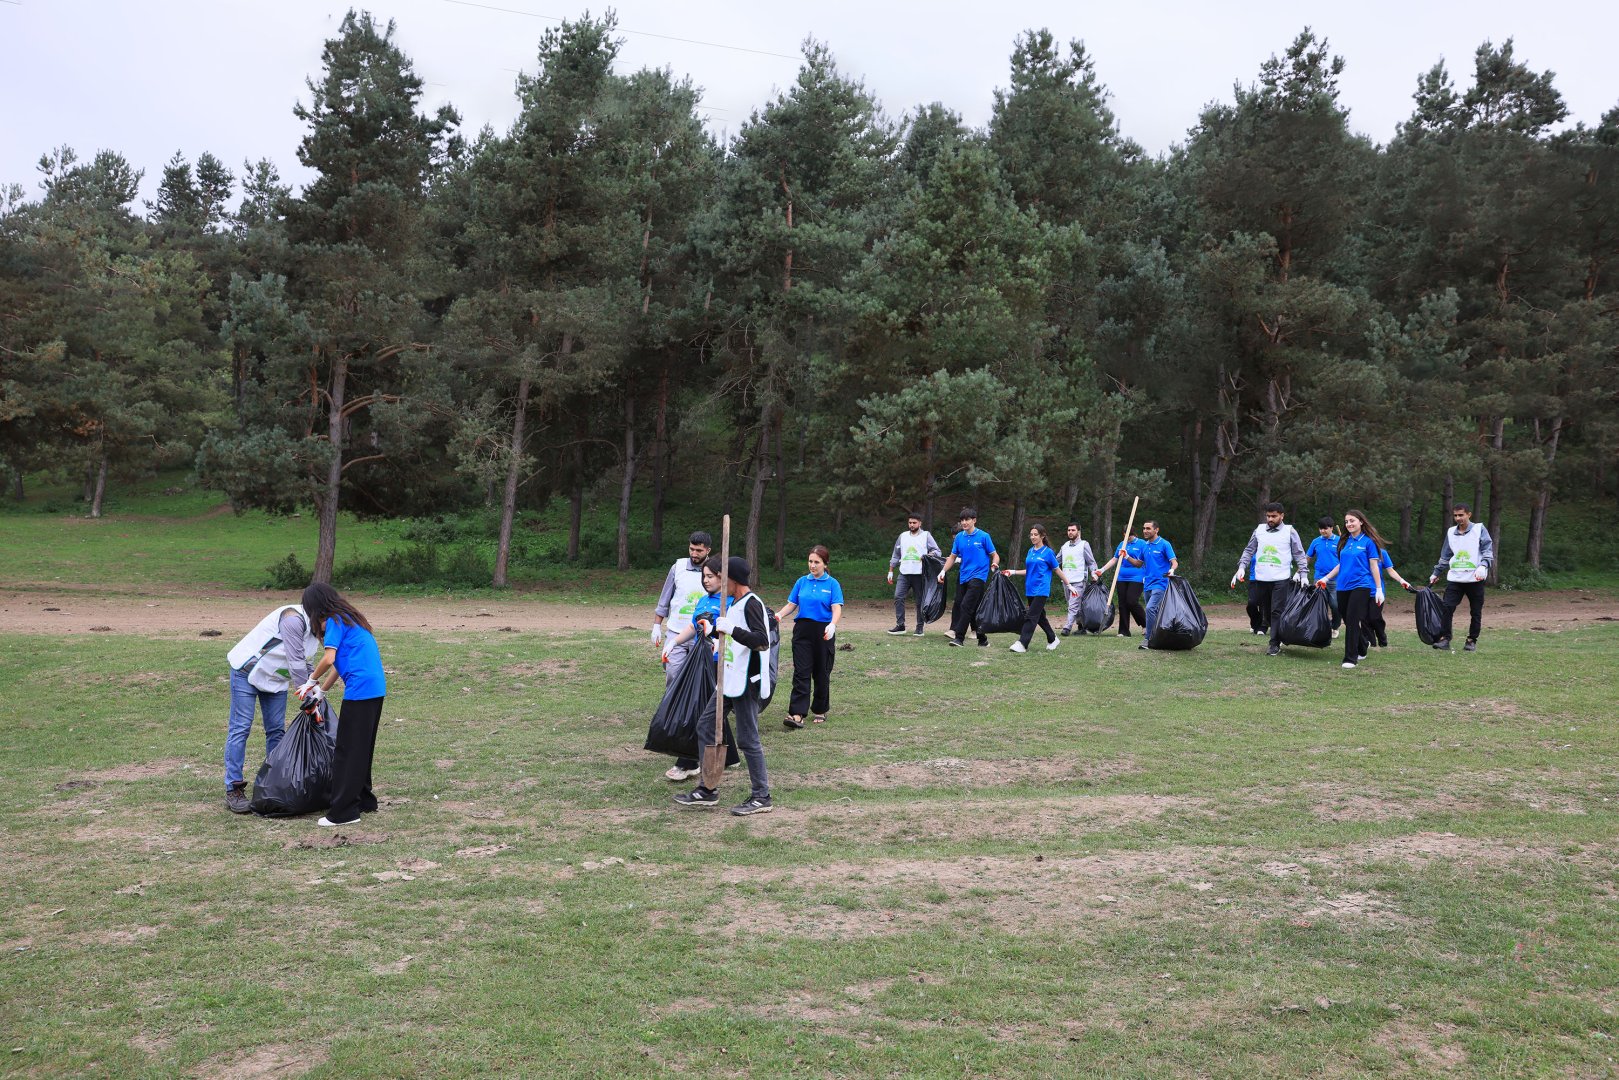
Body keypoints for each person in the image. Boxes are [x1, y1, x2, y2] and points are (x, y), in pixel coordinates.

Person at [675, 556, 774, 816]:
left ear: (732, 579)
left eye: (722, 577)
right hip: (729, 678)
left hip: (746, 681)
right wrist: (714, 632)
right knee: (705, 725)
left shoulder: (752, 604)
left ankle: (761, 796)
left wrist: (732, 630)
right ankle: (707, 789)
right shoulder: (734, 604)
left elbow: (762, 641)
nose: (718, 581)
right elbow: (730, 640)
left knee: (748, 739)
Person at [222, 601, 334, 813]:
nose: (328, 627)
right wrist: (308, 697)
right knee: (241, 728)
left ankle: (274, 785)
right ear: (318, 614)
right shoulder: (292, 619)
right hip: (247, 672)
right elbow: (295, 661)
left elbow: (306, 662)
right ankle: (233, 789)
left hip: (274, 679)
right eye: (326, 620)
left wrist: (314, 694)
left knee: (276, 730)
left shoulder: (314, 631)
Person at [298, 583, 387, 827]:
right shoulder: (350, 618)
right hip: (375, 687)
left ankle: (344, 812)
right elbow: (340, 664)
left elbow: (329, 658)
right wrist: (322, 692)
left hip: (360, 689)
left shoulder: (335, 621)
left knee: (347, 751)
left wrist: (311, 680)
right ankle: (365, 801)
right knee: (361, 747)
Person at [656, 560, 730, 781]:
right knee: (700, 711)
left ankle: (699, 760)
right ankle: (690, 760)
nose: (706, 580)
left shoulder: (730, 602)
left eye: (711, 576)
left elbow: (735, 630)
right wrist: (674, 642)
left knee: (711, 712)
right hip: (701, 663)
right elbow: (692, 626)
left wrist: (718, 636)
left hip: (721, 664)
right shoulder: (703, 600)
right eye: (704, 577)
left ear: (722, 577)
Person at [776, 545, 844, 728]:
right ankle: (797, 713)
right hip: (803, 631)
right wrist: (779, 615)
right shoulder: (801, 582)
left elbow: (836, 608)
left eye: (817, 562)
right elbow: (791, 604)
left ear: (825, 564)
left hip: (823, 631)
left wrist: (832, 624)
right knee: (801, 672)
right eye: (810, 561)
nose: (812, 565)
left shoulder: (832, 584)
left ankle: (820, 709)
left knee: (821, 672)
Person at [1232, 502, 1310, 656]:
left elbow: (1299, 554)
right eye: (1268, 516)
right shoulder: (1259, 530)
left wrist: (1304, 574)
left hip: (1281, 578)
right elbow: (1249, 549)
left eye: (1274, 516)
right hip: (1261, 578)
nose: (1270, 519)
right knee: (1265, 610)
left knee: (1277, 611)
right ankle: (1277, 634)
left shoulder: (1289, 531)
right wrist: (1242, 567)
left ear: (1282, 516)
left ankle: (1274, 644)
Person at [1314, 509, 1386, 670]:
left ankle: (1350, 657)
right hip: (1342, 586)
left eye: (1352, 520)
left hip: (1361, 586)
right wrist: (1326, 578)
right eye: (1346, 521)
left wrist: (1379, 589)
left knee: (1353, 620)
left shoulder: (1368, 542)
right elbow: (1341, 565)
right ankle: (1362, 646)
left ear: (1361, 522)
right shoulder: (1345, 542)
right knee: (1347, 619)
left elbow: (1374, 566)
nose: (1349, 524)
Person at [1429, 502, 1494, 652]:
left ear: (1469, 515)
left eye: (1461, 515)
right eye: (1455, 515)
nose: (1458, 518)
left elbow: (1487, 551)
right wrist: (1436, 573)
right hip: (1455, 579)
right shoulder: (1451, 532)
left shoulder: (1479, 529)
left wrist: (1484, 566)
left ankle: (1471, 640)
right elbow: (1445, 556)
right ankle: (1445, 639)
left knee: (1475, 611)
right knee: (1447, 608)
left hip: (1475, 579)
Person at [652, 531, 713, 681]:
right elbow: (664, 599)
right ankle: (672, 704)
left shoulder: (714, 570)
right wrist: (656, 626)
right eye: (691, 549)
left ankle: (696, 705)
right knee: (673, 674)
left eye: (699, 550)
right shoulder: (678, 567)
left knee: (699, 677)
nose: (694, 553)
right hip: (676, 631)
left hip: (701, 634)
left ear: (708, 550)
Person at [1002, 524, 1073, 653]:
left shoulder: (1048, 552)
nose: (1033, 537)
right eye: (1031, 534)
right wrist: (1012, 572)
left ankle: (1022, 643)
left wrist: (1069, 585)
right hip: (1030, 589)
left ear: (1042, 536)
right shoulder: (1030, 551)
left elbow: (1057, 569)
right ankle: (1052, 639)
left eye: (1035, 534)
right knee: (1040, 617)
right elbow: (1029, 570)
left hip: (1042, 589)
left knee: (1031, 616)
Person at [937, 507, 1000, 648]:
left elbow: (994, 554)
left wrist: (994, 563)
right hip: (963, 576)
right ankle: (982, 639)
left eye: (967, 520)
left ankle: (959, 638)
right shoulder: (959, 537)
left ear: (974, 520)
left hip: (978, 577)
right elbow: (952, 557)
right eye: (962, 520)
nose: (964, 522)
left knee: (966, 605)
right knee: (970, 608)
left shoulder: (984, 536)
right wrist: (943, 571)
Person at [886, 513, 941, 636]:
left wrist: (928, 555)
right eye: (910, 522)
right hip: (904, 573)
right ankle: (900, 625)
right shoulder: (903, 536)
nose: (911, 525)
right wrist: (890, 570)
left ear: (920, 523)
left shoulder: (926, 535)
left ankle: (919, 627)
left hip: (920, 574)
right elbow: (896, 554)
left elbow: (937, 551)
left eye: (914, 523)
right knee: (898, 597)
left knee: (919, 601)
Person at [1363, 542, 1417, 648]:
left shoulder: (1382, 553)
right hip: (1361, 590)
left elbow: (1391, 571)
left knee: (1374, 617)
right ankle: (1370, 642)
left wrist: (1402, 581)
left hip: (1377, 591)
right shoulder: (1359, 553)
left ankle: (1382, 637)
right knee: (1364, 618)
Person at [1094, 531, 1148, 638]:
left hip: (1137, 576)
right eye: (1124, 535)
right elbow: (1115, 559)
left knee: (1131, 601)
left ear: (1134, 534)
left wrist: (1127, 556)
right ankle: (1124, 631)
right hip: (1121, 576)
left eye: (1128, 535)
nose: (1127, 538)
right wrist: (1102, 569)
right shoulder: (1122, 544)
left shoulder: (1142, 544)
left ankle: (1146, 624)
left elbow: (1142, 562)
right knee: (1122, 604)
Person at [1137, 521, 1179, 649]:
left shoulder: (1164, 544)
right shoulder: (1144, 546)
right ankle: (1161, 637)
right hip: (1147, 584)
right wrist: (1126, 556)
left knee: (1150, 608)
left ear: (1156, 530)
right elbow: (1138, 563)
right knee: (1154, 612)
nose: (1145, 531)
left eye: (1148, 528)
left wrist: (1172, 570)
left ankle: (1148, 639)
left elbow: (1174, 562)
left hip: (1161, 583)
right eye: (1144, 528)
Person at [1057, 522, 1098, 636]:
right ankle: (1082, 626)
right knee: (1075, 606)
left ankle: (1067, 628)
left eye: (1073, 530)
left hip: (1079, 580)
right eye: (1069, 530)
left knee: (1073, 605)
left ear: (1078, 532)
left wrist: (1094, 574)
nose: (1070, 532)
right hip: (1066, 580)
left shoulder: (1084, 545)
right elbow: (1056, 561)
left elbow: (1091, 562)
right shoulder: (1064, 546)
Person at [1306, 517, 1343, 638]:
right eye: (1321, 529)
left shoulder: (1340, 541)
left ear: (1331, 528)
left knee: (1335, 606)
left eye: (1325, 528)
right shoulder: (1316, 541)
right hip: (1319, 578)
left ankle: (1335, 626)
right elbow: (1308, 558)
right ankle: (1321, 628)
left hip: (1336, 580)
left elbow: (1346, 559)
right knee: (1319, 605)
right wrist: (1300, 572)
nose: (1323, 531)